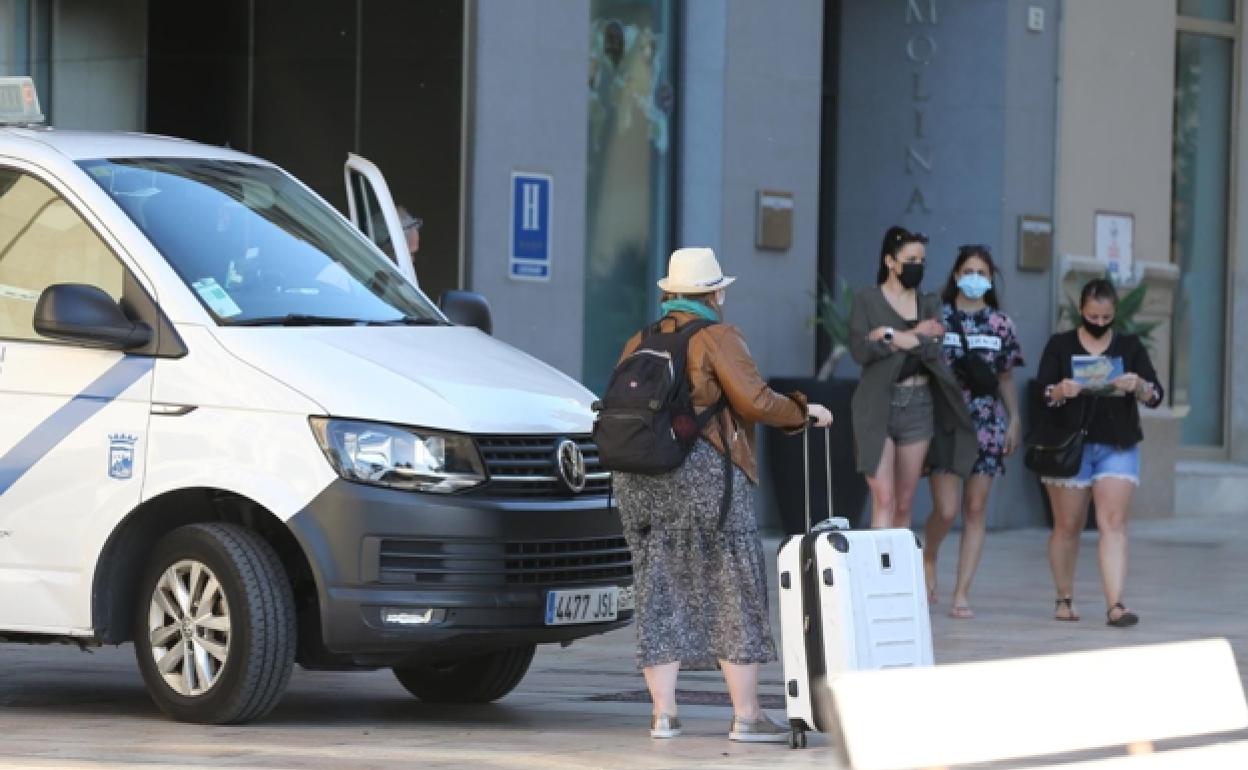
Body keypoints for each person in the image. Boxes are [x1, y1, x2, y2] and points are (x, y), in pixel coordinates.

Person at [613, 247, 833, 743]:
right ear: (715, 292)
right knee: (732, 583)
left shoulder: (639, 338)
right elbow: (754, 401)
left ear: (670, 293)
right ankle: (748, 715)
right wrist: (805, 412)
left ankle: (664, 715)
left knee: (659, 586)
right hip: (702, 474)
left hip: (638, 477)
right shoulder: (718, 336)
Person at [1035, 278, 1163, 627]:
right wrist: (1060, 390)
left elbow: (1156, 395)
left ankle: (1115, 605)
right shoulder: (1060, 346)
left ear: (1114, 314)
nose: (1100, 323)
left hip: (1116, 443)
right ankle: (1064, 598)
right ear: (1081, 310)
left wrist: (1138, 385)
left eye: (1107, 317)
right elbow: (1041, 395)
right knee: (1067, 525)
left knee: (1114, 522)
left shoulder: (1129, 346)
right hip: (1069, 446)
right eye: (1093, 316)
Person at [849, 226, 976, 529]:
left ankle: (898, 573)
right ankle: (880, 571)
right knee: (885, 497)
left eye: (921, 261)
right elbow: (862, 350)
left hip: (918, 405)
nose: (917, 266)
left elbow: (933, 349)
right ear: (891, 262)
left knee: (905, 503)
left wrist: (892, 335)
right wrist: (916, 335)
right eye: (910, 260)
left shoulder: (928, 302)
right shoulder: (867, 300)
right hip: (878, 403)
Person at [922, 245, 1025, 618]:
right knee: (947, 509)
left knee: (976, 508)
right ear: (955, 275)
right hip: (945, 420)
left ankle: (962, 592)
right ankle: (929, 555)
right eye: (969, 271)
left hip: (987, 422)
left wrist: (1014, 419)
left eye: (982, 273)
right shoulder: (938, 317)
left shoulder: (1001, 324)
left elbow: (1006, 377)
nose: (975, 279)